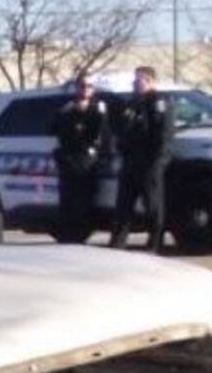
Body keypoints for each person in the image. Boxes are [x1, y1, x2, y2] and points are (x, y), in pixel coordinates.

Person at [110, 65, 176, 251]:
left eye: (138, 80)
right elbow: (123, 129)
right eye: (135, 80)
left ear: (150, 81)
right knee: (123, 205)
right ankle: (117, 243)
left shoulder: (159, 102)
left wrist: (157, 159)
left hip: (150, 161)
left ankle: (155, 243)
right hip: (131, 161)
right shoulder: (132, 103)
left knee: (153, 205)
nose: (135, 84)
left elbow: (164, 133)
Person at [50, 73, 110, 244]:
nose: (85, 89)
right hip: (67, 159)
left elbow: (104, 135)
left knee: (84, 200)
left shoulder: (99, 108)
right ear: (76, 87)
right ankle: (66, 235)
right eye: (82, 85)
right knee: (67, 199)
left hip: (88, 161)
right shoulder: (66, 108)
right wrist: (63, 114)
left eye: (89, 86)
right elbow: (52, 130)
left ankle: (80, 235)